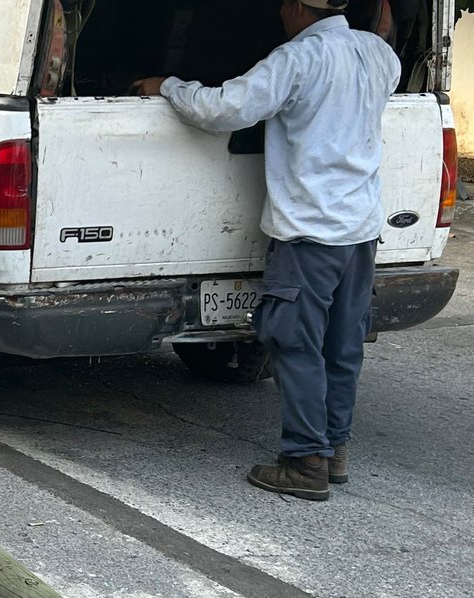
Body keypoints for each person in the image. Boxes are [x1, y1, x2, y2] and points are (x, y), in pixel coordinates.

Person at [132, 0, 400, 501]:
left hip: (309, 232)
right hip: (360, 231)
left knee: (295, 344)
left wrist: (168, 86)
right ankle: (334, 450)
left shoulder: (296, 60)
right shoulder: (379, 56)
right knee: (341, 347)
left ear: (298, 7)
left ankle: (304, 463)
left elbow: (223, 109)